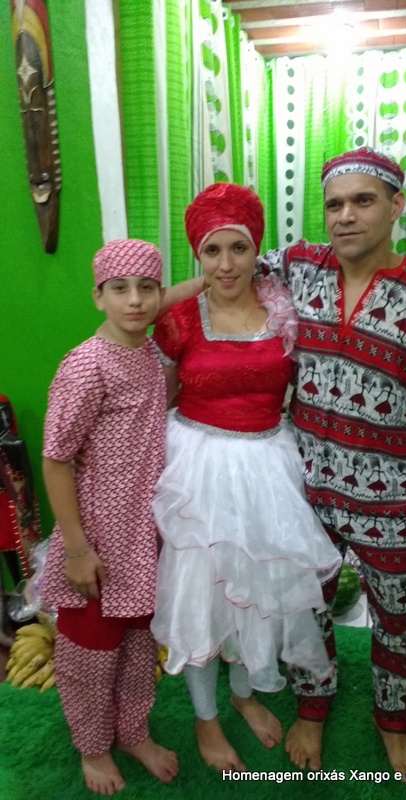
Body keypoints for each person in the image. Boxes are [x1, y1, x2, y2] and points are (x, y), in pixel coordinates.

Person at [258, 147, 406, 780]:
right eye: (334, 204)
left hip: (395, 495)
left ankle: (393, 721)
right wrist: (138, 311)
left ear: (396, 206)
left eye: (363, 201)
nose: (345, 216)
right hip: (307, 487)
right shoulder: (298, 267)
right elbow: (222, 263)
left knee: (399, 619)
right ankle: (312, 706)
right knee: (305, 605)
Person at [150, 183, 343, 772]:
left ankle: (242, 694)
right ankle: (206, 719)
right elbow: (158, 398)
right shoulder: (179, 317)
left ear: (257, 250)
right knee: (202, 597)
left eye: (239, 248)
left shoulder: (283, 307)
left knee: (256, 594)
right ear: (197, 256)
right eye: (212, 251)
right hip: (198, 468)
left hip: (267, 467)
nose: (227, 264)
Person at [40, 239, 179, 796]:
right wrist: (77, 549)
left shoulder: (148, 352)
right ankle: (93, 746)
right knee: (91, 651)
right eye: (120, 289)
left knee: (139, 644)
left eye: (147, 288)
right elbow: (55, 461)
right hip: (98, 536)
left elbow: (170, 296)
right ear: (98, 296)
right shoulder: (86, 366)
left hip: (144, 533)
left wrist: (203, 282)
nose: (135, 300)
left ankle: (133, 730)